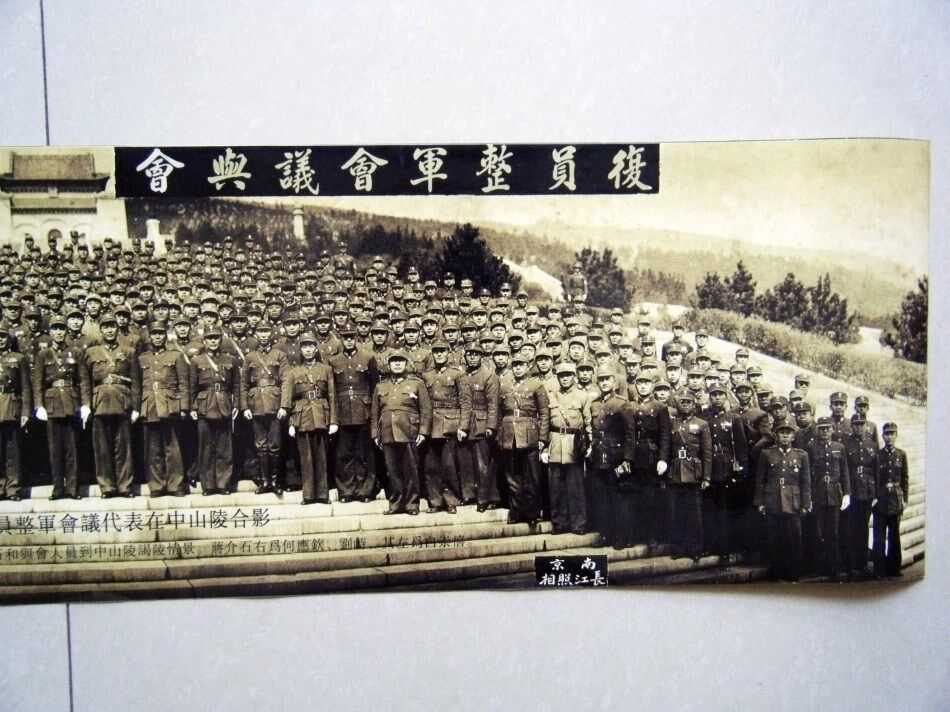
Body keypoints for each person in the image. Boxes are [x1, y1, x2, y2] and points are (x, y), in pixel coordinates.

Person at [33, 316, 91, 500]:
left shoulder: (76, 352)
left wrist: (86, 404)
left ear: (66, 331)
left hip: (71, 404)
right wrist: (39, 405)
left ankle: (72, 488)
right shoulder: (43, 354)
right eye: (55, 329)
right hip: (51, 405)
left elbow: (83, 380)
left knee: (72, 449)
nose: (58, 332)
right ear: (50, 331)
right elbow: (38, 383)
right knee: (55, 450)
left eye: (61, 328)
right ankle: (58, 488)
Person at [84, 312, 140, 498]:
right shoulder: (91, 352)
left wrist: (136, 408)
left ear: (117, 329)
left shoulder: (129, 352)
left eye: (112, 326)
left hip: (122, 403)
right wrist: (87, 404)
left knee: (123, 448)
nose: (109, 330)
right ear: (100, 330)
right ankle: (107, 487)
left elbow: (135, 382)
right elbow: (86, 381)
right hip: (99, 404)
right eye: (106, 326)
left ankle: (125, 486)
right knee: (102, 448)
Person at [282, 332, 338, 505]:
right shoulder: (293, 372)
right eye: (304, 347)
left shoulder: (326, 369)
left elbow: (332, 396)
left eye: (310, 346)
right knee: (306, 458)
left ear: (316, 348)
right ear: (300, 350)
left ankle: (322, 494)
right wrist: (291, 423)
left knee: (322, 457)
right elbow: (288, 400)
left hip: (321, 415)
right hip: (302, 417)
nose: (307, 350)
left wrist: (333, 421)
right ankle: (308, 495)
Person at [134, 323, 189, 497]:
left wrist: (184, 406)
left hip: (170, 406)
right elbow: (137, 385)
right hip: (149, 405)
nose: (157, 337)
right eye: (154, 334)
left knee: (173, 448)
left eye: (160, 333)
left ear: (165, 335)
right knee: (153, 449)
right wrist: (137, 408)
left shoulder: (176, 355)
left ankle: (175, 485)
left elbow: (183, 383)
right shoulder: (142, 358)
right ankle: (157, 485)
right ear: (149, 336)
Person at [371, 351, 429, 515]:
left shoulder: (417, 383)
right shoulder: (381, 386)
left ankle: (412, 504)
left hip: (408, 431)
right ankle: (396, 503)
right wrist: (375, 434)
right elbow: (375, 412)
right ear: (389, 365)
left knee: (410, 469)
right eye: (394, 361)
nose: (397, 364)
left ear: (406, 364)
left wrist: (423, 432)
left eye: (401, 361)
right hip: (387, 432)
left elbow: (426, 410)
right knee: (393, 470)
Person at [754, 418, 811, 581]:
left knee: (794, 538)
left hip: (793, 502)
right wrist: (760, 502)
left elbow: (805, 482)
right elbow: (760, 480)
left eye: (788, 433)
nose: (785, 436)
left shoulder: (801, 455)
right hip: (773, 500)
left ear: (793, 436)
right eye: (782, 433)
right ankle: (776, 571)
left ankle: (793, 573)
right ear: (776, 435)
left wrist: (805, 504)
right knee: (774, 537)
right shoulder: (767, 453)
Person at [327, 325, 379, 502]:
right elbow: (332, 391)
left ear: (356, 338)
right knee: (344, 454)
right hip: (343, 413)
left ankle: (365, 491)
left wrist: (372, 412)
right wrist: (334, 418)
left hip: (363, 412)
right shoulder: (334, 361)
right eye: (345, 337)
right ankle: (347, 491)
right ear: (341, 339)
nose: (349, 340)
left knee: (364, 453)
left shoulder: (368, 357)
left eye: (352, 337)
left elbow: (374, 387)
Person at [497, 353, 550, 525]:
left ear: (528, 366)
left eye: (521, 364)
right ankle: (516, 512)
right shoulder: (504, 385)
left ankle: (531, 513)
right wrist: (500, 434)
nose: (518, 368)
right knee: (512, 477)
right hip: (509, 435)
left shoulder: (536, 384)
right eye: (515, 365)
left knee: (532, 476)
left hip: (530, 435)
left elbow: (544, 412)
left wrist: (543, 438)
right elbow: (498, 412)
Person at [189, 328, 242, 495]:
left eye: (216, 338)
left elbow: (236, 385)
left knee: (224, 448)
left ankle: (223, 484)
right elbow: (192, 387)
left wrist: (236, 405)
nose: (213, 341)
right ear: (204, 341)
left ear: (221, 340)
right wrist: (192, 407)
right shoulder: (196, 360)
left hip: (224, 405)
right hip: (204, 406)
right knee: (205, 447)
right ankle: (208, 485)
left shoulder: (230, 359)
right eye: (209, 338)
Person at [420, 341, 471, 514]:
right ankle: (435, 502)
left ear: (448, 353)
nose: (439, 354)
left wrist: (463, 426)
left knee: (449, 466)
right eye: (436, 351)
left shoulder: (457, 374)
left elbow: (465, 402)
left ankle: (451, 501)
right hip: (431, 425)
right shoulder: (426, 375)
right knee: (431, 467)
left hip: (451, 425)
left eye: (442, 351)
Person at [587, 369, 635, 548]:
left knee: (619, 498)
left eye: (608, 379)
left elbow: (630, 434)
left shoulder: (622, 403)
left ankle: (622, 537)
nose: (604, 382)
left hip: (617, 456)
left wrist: (627, 459)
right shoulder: (594, 404)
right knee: (602, 499)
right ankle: (606, 534)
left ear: (614, 382)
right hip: (599, 456)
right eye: (601, 380)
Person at [543, 362, 592, 535]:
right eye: (561, 375)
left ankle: (579, 524)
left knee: (575, 487)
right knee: (556, 488)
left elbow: (588, 423)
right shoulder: (551, 397)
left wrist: (590, 444)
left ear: (574, 377)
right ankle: (559, 524)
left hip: (574, 445)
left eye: (568, 375)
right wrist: (544, 447)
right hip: (555, 443)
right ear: (557, 378)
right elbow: (545, 423)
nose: (565, 378)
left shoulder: (583, 396)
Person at [241, 321, 289, 495]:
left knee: (275, 445)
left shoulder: (279, 355)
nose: (263, 335)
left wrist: (284, 405)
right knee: (260, 445)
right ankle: (264, 482)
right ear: (256, 334)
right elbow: (244, 384)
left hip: (275, 405)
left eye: (266, 331)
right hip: (256, 405)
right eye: (260, 332)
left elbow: (286, 381)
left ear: (271, 334)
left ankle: (275, 482)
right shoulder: (250, 357)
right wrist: (245, 407)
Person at [666, 390, 712, 561]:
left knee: (694, 514)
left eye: (688, 402)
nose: (685, 405)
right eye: (682, 401)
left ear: (694, 404)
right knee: (676, 512)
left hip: (694, 473)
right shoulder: (671, 423)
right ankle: (678, 547)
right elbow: (667, 448)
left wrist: (706, 477)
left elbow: (706, 453)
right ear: (677, 404)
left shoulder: (702, 424)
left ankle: (695, 549)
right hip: (675, 472)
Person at [805, 416, 851, 578]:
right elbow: (807, 473)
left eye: (827, 428)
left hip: (834, 494)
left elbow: (844, 472)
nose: (824, 431)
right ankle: (818, 567)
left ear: (832, 429)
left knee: (833, 532)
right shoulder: (811, 447)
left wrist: (847, 493)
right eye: (821, 428)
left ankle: (833, 567)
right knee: (817, 532)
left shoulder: (839, 447)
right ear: (817, 430)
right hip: (817, 494)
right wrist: (809, 496)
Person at [458, 342, 500, 510]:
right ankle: (470, 495)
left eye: (476, 354)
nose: (472, 357)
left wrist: (491, 426)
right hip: (467, 424)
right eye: (469, 354)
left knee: (483, 463)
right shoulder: (463, 376)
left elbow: (493, 404)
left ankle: (485, 498)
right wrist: (463, 426)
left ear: (481, 357)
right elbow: (464, 403)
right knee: (467, 462)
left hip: (482, 425)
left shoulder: (489, 376)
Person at [842, 414, 877, 578]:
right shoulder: (845, 444)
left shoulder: (872, 445)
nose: (858, 427)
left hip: (867, 491)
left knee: (863, 527)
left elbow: (876, 470)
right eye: (855, 424)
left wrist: (875, 493)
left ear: (866, 426)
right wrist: (846, 491)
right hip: (852, 489)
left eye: (861, 424)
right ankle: (851, 565)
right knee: (850, 527)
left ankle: (862, 564)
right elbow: (844, 469)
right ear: (852, 426)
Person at [873, 422, 908, 578]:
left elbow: (905, 479)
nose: (889, 437)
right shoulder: (877, 455)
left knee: (894, 536)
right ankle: (879, 569)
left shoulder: (901, 454)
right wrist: (875, 497)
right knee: (879, 537)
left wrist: (905, 499)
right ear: (882, 436)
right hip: (881, 500)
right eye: (886, 434)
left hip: (895, 499)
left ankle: (894, 568)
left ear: (896, 435)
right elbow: (875, 478)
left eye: (892, 433)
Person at [0, 327, 31, 500]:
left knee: (13, 451)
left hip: (11, 407)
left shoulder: (19, 358)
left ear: (8, 339)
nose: (0, 339)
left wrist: (25, 411)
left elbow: (25, 387)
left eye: (3, 336)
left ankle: (13, 489)